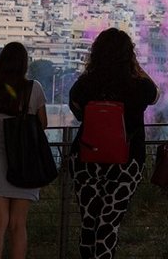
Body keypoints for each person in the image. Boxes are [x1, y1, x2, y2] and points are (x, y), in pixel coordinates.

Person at [69, 28, 159, 259]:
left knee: (89, 222)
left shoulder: (85, 84)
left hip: (87, 159)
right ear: (129, 55)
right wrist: (135, 67)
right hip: (126, 162)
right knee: (109, 224)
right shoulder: (138, 86)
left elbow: (77, 111)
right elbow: (155, 94)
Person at [0, 41, 47, 259]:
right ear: (24, 64)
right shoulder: (34, 88)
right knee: (18, 225)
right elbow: (42, 124)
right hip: (25, 161)